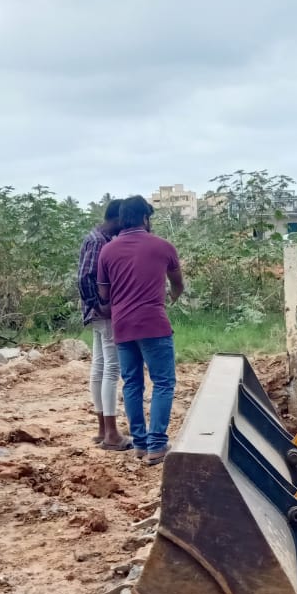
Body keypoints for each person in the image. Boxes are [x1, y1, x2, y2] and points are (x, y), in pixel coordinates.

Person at [97, 195, 183, 465]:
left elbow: (103, 294)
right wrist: (171, 298)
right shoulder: (163, 246)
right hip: (154, 324)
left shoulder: (107, 251)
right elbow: (178, 284)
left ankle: (141, 444)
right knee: (163, 382)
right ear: (146, 218)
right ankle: (157, 444)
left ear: (121, 219)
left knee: (132, 383)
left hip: (122, 326)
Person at [76, 199, 131, 450]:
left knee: (99, 367)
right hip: (104, 312)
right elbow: (85, 277)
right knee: (111, 369)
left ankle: (103, 429)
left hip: (97, 312)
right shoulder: (99, 241)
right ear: (117, 219)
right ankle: (111, 433)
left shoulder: (97, 238)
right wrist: (100, 305)